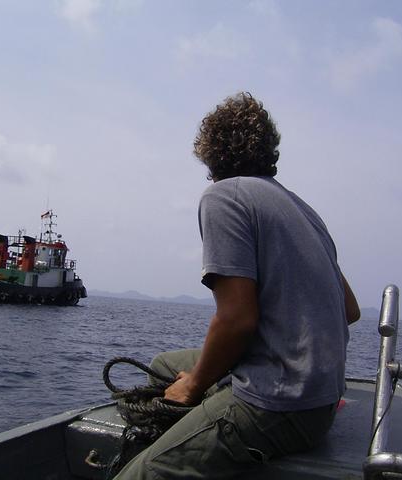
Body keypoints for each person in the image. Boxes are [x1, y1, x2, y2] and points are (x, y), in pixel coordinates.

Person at [114, 92, 360, 479]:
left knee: (143, 473)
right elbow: (350, 311)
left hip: (281, 404)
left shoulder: (223, 197)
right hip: (323, 400)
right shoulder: (302, 210)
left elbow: (237, 320)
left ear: (210, 154)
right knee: (164, 366)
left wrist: (194, 386)